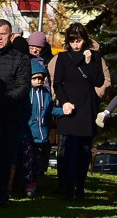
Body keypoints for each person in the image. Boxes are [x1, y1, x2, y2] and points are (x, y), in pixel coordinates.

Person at [53, 23, 105, 200]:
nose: (76, 44)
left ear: (85, 40)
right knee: (69, 150)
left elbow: (98, 81)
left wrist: (90, 62)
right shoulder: (63, 57)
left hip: (87, 108)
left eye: (79, 40)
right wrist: (65, 102)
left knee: (84, 150)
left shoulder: (94, 56)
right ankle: (68, 187)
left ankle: (80, 187)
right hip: (70, 110)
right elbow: (57, 83)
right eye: (73, 41)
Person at [0, 20, 31, 208]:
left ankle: (0, 194)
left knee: (4, 157)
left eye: (3, 34)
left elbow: (23, 86)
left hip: (8, 114)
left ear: (10, 36)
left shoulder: (20, 58)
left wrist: (1, 101)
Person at [24, 61, 61, 198]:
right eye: (35, 78)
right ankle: (27, 184)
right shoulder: (27, 93)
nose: (38, 81)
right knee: (27, 161)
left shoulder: (46, 94)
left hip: (42, 135)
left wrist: (64, 111)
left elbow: (50, 110)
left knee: (38, 162)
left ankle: (34, 183)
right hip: (28, 134)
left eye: (41, 78)